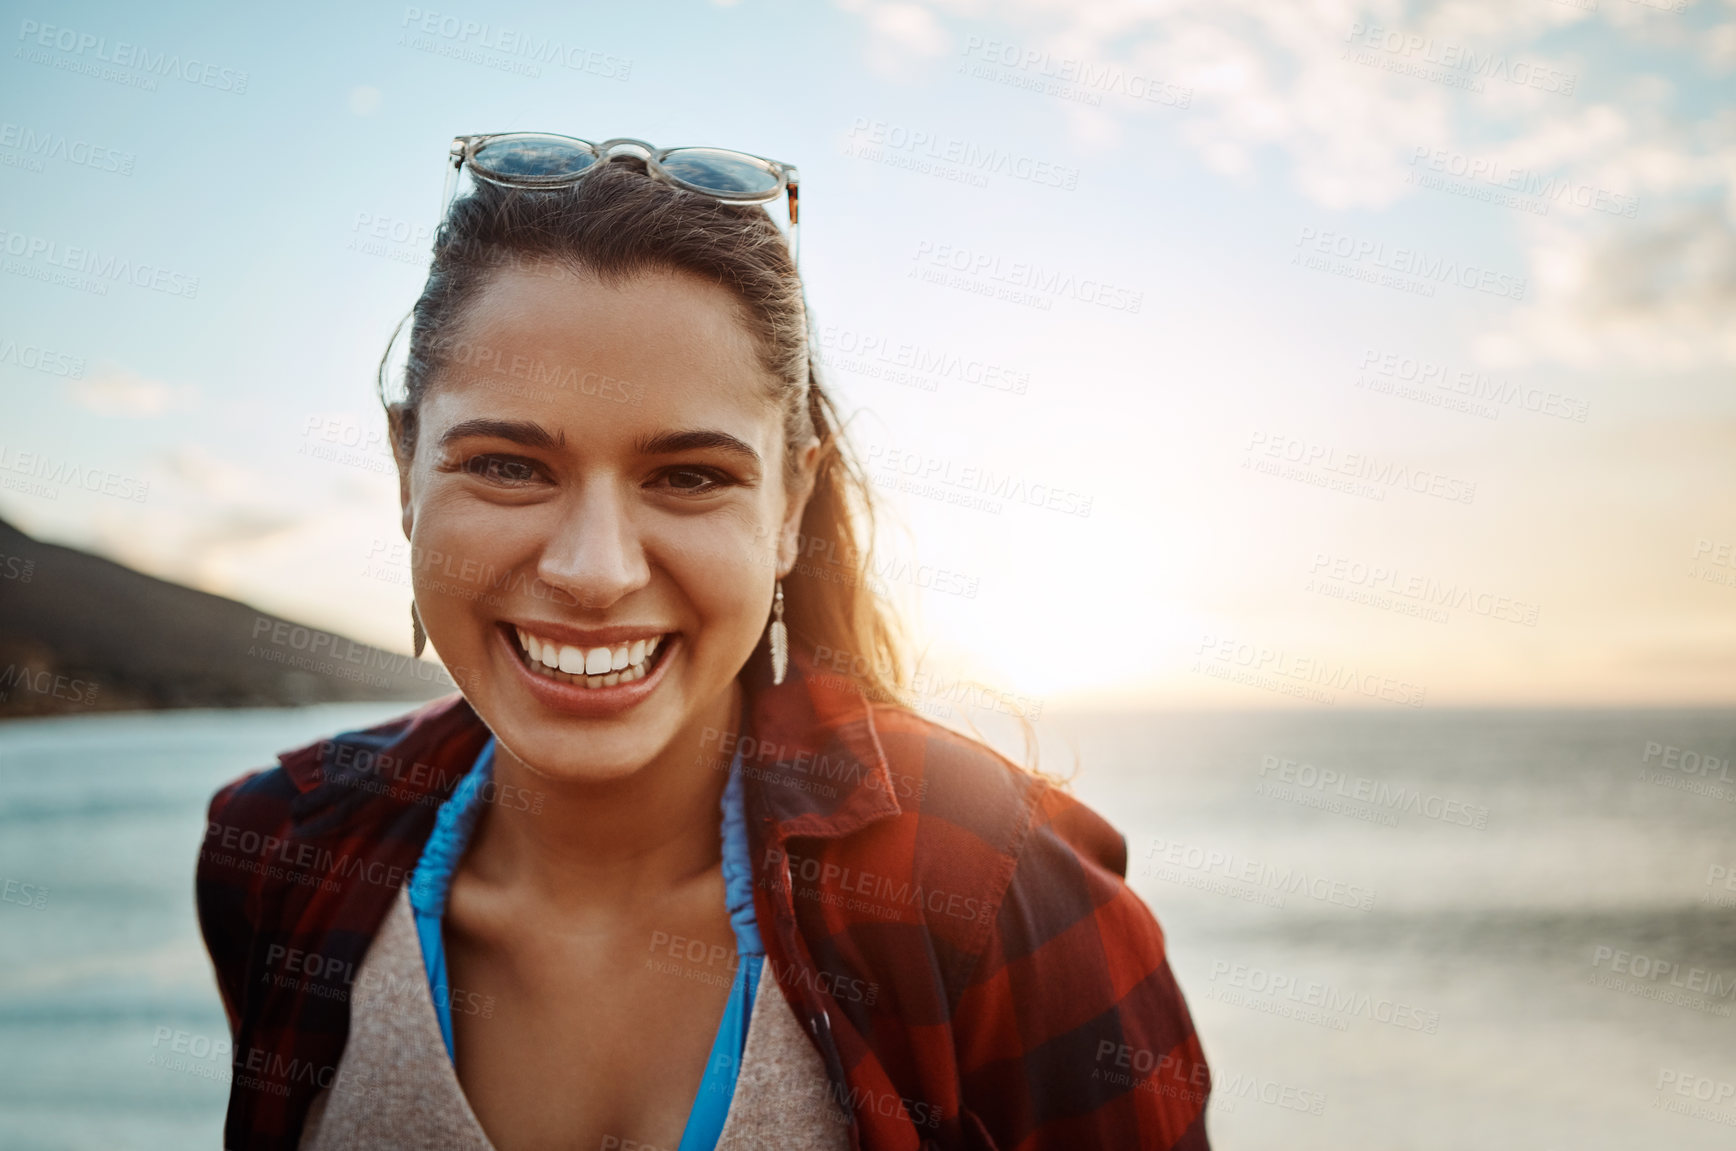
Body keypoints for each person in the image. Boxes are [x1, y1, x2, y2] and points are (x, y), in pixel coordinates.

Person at [195, 133, 1211, 1151]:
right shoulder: (282, 851)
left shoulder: (990, 891)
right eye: (506, 464)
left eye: (687, 476)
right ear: (405, 466)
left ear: (789, 503)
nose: (595, 571)